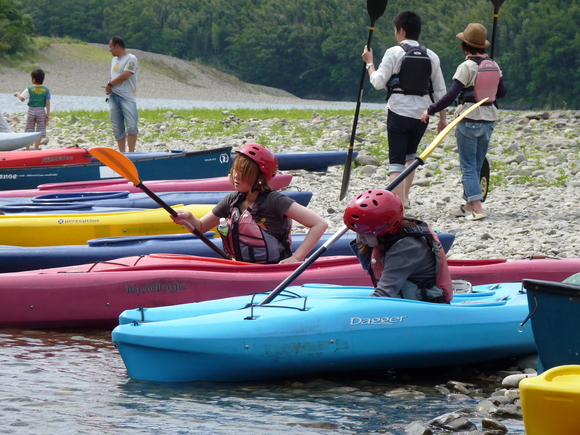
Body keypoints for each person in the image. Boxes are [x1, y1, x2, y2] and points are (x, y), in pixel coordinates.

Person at [171, 143, 329, 264]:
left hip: (274, 269)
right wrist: (188, 218)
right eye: (235, 170)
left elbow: (319, 224)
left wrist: (297, 257)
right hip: (243, 267)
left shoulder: (274, 201)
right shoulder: (232, 200)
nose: (236, 176)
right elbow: (200, 227)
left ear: (261, 177)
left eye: (243, 172)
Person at [421, 23, 507, 221]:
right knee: (476, 165)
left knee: (468, 166)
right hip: (489, 120)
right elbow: (501, 93)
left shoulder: (466, 66)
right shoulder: (493, 65)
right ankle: (468, 205)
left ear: (465, 46)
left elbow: (452, 95)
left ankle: (478, 207)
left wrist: (430, 110)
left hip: (468, 119)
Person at [361, 10, 447, 208]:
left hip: (398, 112)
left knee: (396, 160)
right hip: (422, 115)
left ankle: (398, 203)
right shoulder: (432, 56)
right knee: (410, 156)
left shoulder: (394, 52)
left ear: (400, 30)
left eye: (395, 30)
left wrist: (369, 63)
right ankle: (405, 197)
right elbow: (440, 91)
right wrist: (443, 118)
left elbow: (378, 82)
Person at [344, 189, 453, 303]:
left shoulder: (406, 248)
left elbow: (384, 295)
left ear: (382, 231)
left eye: (364, 234)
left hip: (426, 307)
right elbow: (370, 267)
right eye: (356, 232)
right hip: (405, 301)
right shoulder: (386, 237)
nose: (359, 238)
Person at [105, 36, 139, 153]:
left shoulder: (131, 58)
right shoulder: (114, 60)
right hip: (114, 96)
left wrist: (109, 84)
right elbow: (114, 75)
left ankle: (131, 153)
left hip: (127, 97)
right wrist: (109, 86)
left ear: (117, 46)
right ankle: (122, 152)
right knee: (117, 127)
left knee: (131, 125)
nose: (110, 50)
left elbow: (125, 76)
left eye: (111, 47)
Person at [13, 69, 51, 150]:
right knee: (40, 130)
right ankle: (36, 148)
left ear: (33, 79)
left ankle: (27, 148)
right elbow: (48, 102)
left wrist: (18, 94)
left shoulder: (29, 88)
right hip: (41, 111)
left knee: (29, 128)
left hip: (31, 110)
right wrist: (48, 114)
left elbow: (22, 99)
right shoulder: (46, 90)